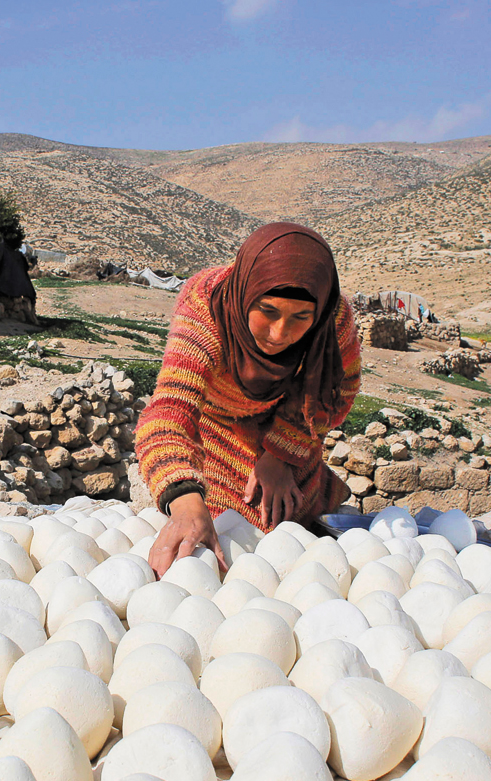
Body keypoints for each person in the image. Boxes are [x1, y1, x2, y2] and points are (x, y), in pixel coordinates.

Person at [135, 222, 360, 576]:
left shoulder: (334, 320)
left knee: (288, 516)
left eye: (301, 317)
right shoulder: (207, 308)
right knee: (224, 523)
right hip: (216, 423)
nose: (280, 333)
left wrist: (281, 453)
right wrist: (183, 498)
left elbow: (337, 391)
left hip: (289, 420)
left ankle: (319, 486)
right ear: (245, 294)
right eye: (268, 311)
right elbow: (169, 412)